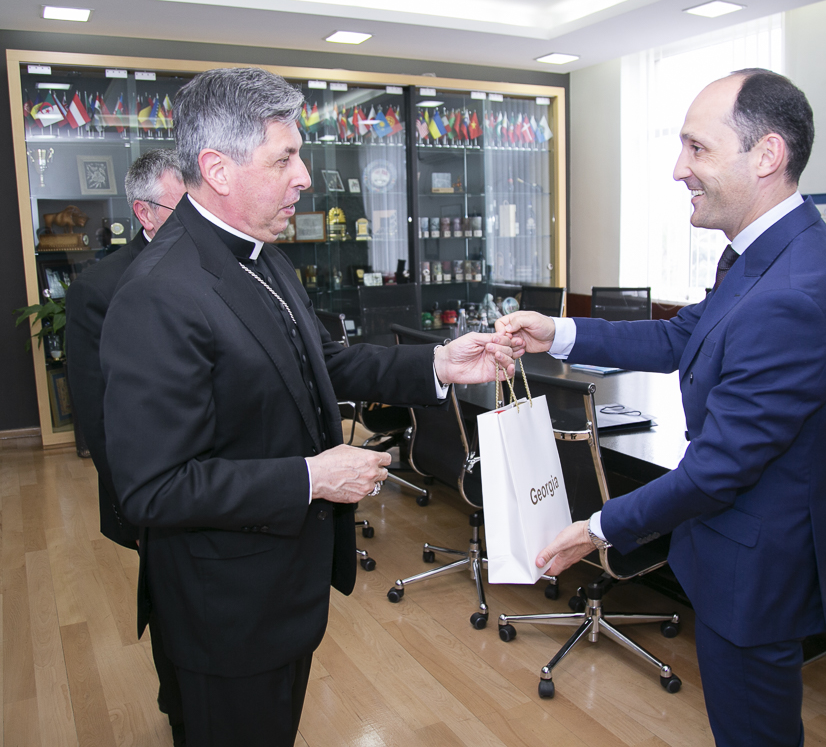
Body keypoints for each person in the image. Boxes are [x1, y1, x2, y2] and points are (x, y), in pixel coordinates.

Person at [99, 67, 520, 747]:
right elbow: (154, 488)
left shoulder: (264, 256)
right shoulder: (159, 294)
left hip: (278, 594)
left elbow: (321, 363)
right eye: (284, 159)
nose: (304, 178)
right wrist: (311, 477)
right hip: (226, 613)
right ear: (218, 169)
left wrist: (438, 363)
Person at [498, 69, 826, 747]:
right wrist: (559, 332)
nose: (678, 169)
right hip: (732, 556)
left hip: (758, 577)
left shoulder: (794, 291)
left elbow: (718, 471)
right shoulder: (761, 256)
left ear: (767, 155)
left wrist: (596, 529)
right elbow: (678, 337)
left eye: (697, 148)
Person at [65, 149, 187, 746]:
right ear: (144, 212)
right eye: (181, 208)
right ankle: (181, 708)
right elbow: (99, 415)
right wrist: (133, 508)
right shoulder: (100, 287)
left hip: (220, 482)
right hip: (152, 490)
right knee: (171, 605)